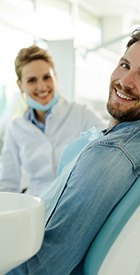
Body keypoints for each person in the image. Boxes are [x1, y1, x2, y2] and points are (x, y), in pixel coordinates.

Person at [6, 27, 140, 274]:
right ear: (20, 85)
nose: (125, 81)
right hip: (35, 217)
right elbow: (8, 182)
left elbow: (44, 266)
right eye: (125, 65)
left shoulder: (111, 153)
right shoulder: (132, 143)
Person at [0, 45, 105, 197]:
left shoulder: (81, 114)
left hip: (73, 201)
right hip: (35, 208)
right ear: (20, 85)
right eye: (31, 80)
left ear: (55, 77)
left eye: (46, 77)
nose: (41, 86)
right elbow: (8, 184)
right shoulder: (16, 128)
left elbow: (109, 141)